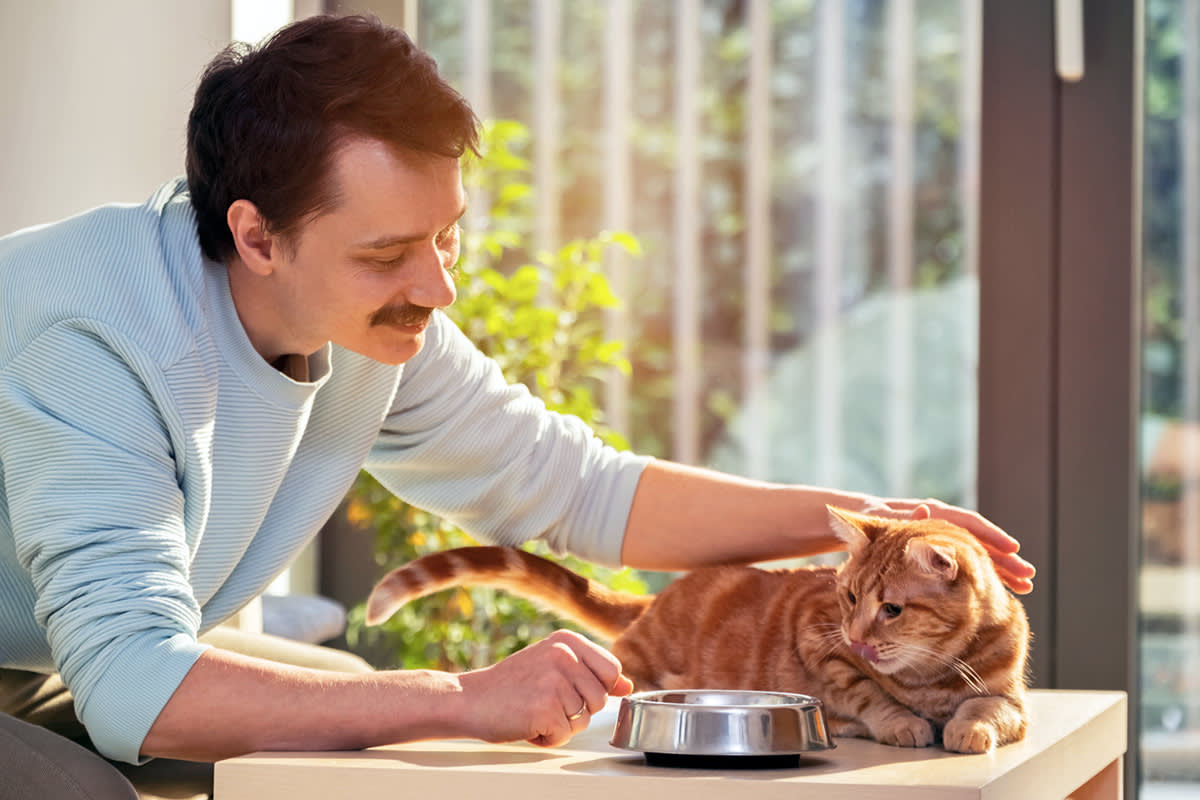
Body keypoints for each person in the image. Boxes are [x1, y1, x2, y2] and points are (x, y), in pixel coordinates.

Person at [0, 13, 1035, 799]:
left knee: (354, 727)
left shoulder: (367, 319)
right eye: (389, 253)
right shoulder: (95, 340)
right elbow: (138, 686)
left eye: (445, 235)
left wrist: (865, 523)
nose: (439, 287)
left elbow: (581, 488)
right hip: (71, 669)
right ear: (258, 234)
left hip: (56, 654)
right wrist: (466, 694)